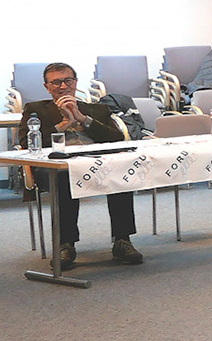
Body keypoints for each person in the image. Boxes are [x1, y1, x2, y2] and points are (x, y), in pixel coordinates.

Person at [19, 62, 142, 271]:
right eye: (56, 82)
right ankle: (65, 244)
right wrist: (64, 123)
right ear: (47, 87)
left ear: (75, 83)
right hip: (55, 165)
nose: (63, 86)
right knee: (63, 177)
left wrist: (83, 119)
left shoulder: (96, 109)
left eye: (68, 80)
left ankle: (122, 240)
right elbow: (27, 143)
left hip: (95, 162)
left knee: (119, 171)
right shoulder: (35, 110)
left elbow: (116, 139)